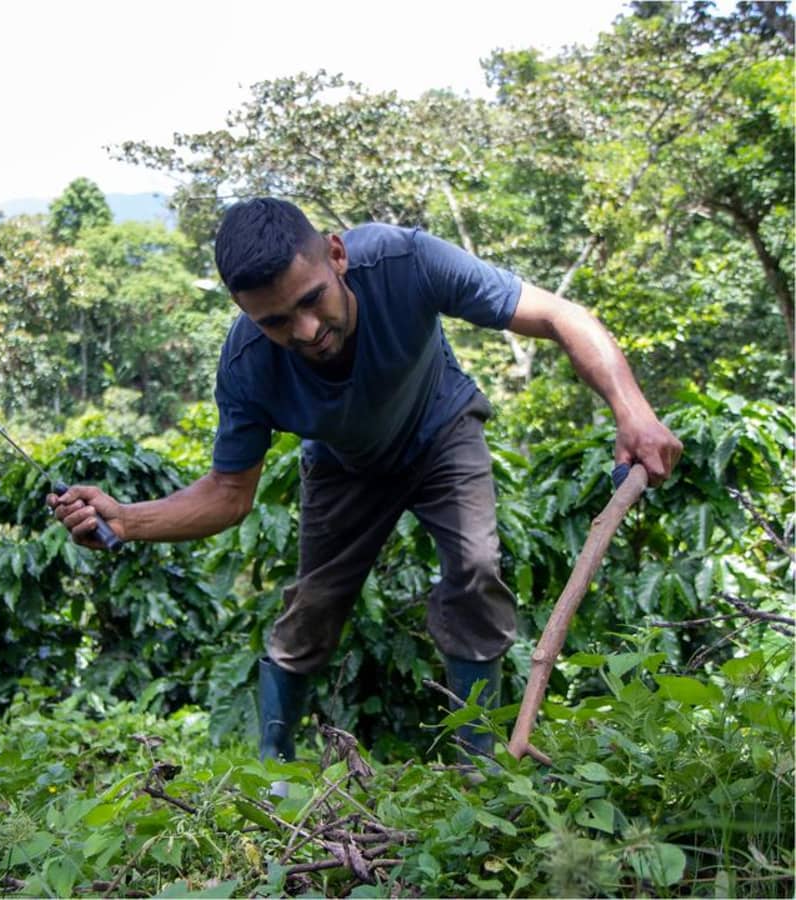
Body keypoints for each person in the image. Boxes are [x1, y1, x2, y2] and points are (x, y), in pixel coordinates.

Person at [49, 197, 682, 772]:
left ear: (337, 253)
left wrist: (634, 413)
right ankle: (274, 760)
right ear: (245, 313)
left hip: (440, 427)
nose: (304, 330)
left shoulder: (406, 260)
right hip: (343, 463)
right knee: (314, 607)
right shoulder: (246, 366)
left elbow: (558, 314)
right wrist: (128, 520)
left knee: (477, 565)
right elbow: (228, 493)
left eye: (310, 299)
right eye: (274, 320)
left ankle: (478, 761)